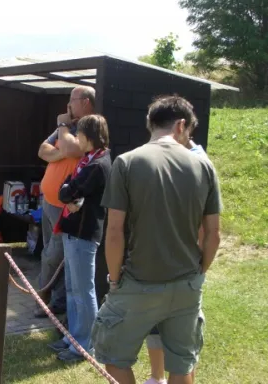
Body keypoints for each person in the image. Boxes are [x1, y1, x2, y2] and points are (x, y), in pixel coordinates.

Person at [92, 96, 222, 384]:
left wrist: (114, 279)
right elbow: (213, 234)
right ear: (181, 125)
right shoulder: (204, 166)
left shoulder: (127, 162)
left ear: (150, 123)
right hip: (186, 284)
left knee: (114, 358)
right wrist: (199, 272)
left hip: (138, 282)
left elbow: (114, 231)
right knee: (182, 364)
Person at [143, 117, 211, 384]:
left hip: (184, 263)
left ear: (182, 128)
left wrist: (199, 265)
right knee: (156, 324)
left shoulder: (199, 163)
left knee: (183, 339)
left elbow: (207, 224)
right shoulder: (158, 158)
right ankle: (157, 377)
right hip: (156, 259)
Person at [47, 114, 111, 363]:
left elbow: (69, 192)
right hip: (73, 231)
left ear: (89, 136)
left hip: (84, 233)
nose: (77, 138)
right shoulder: (87, 160)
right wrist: (69, 191)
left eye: (79, 134)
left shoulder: (98, 165)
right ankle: (73, 337)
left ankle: (85, 345)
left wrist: (69, 192)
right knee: (73, 288)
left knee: (84, 291)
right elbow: (67, 186)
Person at [35, 85, 94, 317]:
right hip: (49, 202)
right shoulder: (67, 128)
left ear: (86, 102)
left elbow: (73, 148)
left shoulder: (89, 127)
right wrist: (62, 152)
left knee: (53, 257)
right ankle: (56, 302)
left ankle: (43, 299)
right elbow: (42, 150)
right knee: (52, 255)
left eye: (73, 100)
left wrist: (62, 126)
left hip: (65, 207)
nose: (68, 105)